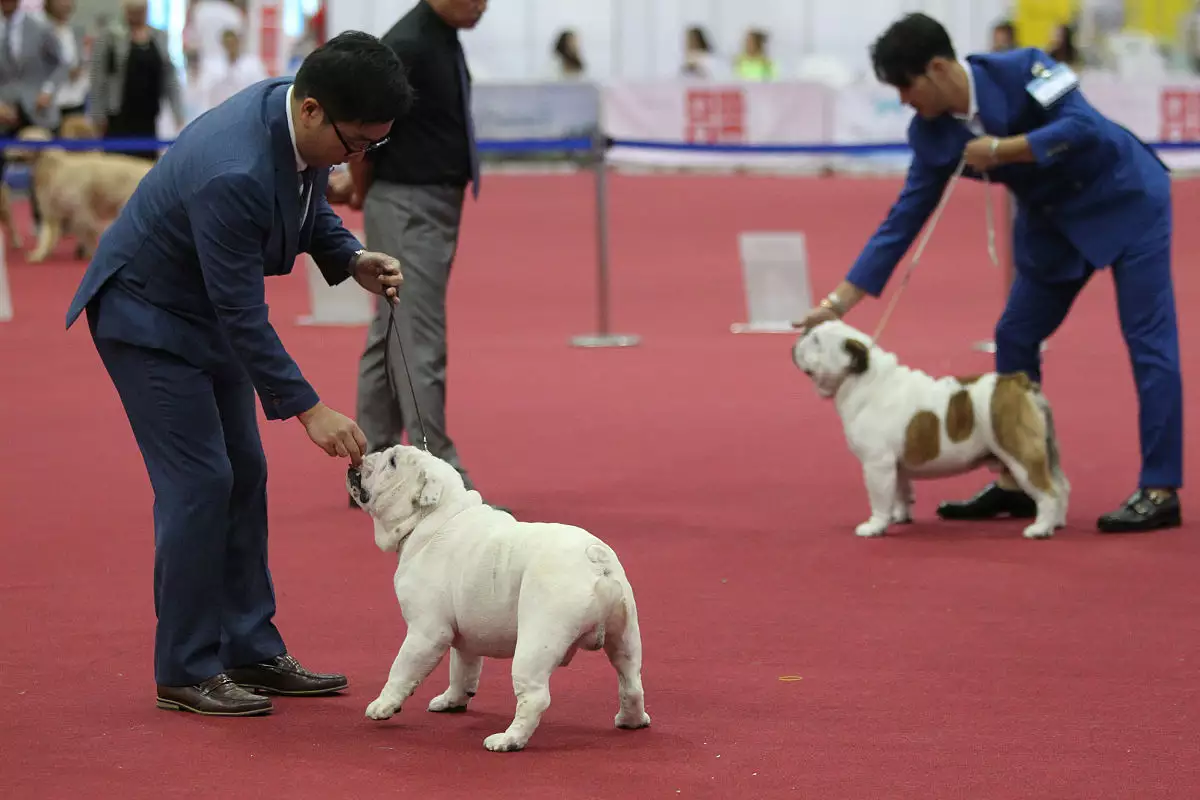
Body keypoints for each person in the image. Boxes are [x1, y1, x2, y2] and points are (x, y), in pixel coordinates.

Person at [64, 31, 414, 716]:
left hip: (204, 312)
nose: (357, 161)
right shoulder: (236, 169)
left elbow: (307, 205)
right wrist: (310, 408)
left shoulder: (295, 124)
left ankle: (250, 647)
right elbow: (241, 312)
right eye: (355, 144)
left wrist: (351, 257)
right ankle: (187, 667)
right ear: (312, 110)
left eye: (372, 146)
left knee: (244, 471)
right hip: (148, 320)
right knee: (201, 481)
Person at [797, 13, 1183, 534]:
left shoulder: (1028, 66)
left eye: (908, 88)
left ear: (937, 69)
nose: (906, 102)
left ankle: (1160, 488)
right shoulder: (931, 133)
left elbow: (1083, 126)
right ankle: (1015, 478)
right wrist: (838, 305)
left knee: (1148, 342)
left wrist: (1004, 150)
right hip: (1050, 227)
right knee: (1015, 334)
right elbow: (903, 220)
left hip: (1127, 201)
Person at [348, 0, 497, 507]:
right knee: (418, 333)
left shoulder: (437, 35)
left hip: (422, 199)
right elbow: (369, 130)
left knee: (391, 328)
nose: (482, 5)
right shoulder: (407, 43)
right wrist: (359, 189)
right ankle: (439, 473)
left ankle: (374, 467)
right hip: (409, 201)